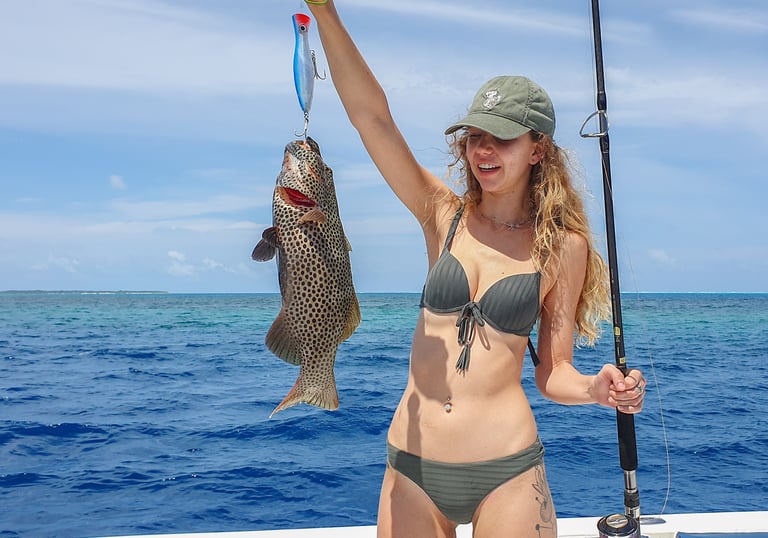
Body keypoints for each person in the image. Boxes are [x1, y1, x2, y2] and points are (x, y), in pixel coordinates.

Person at [303, 1, 646, 536]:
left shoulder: (564, 246)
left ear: (538, 149)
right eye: (475, 136)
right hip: (411, 467)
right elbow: (371, 117)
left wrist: (596, 390)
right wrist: (325, 13)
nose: (484, 150)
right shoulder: (442, 214)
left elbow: (552, 371)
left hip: (507, 472)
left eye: (502, 137)